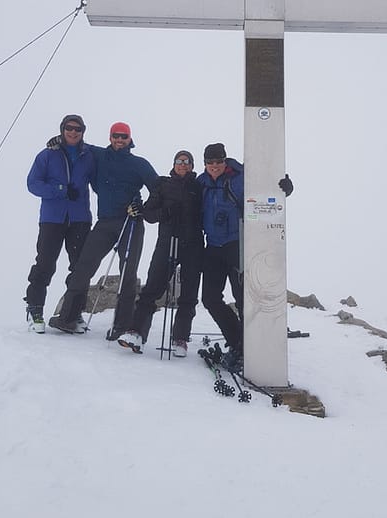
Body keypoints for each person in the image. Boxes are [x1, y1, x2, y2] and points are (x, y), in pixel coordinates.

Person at [48, 122, 158, 335]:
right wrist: (59, 141)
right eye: (115, 136)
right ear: (110, 137)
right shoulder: (97, 155)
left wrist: (142, 207)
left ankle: (122, 326)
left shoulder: (139, 164)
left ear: (129, 139)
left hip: (130, 222)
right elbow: (76, 143)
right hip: (105, 222)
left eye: (123, 136)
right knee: (83, 266)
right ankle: (68, 318)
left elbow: (158, 189)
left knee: (128, 273)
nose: (119, 140)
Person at [197, 142, 293, 366]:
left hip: (237, 245)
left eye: (218, 161)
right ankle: (238, 340)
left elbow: (267, 189)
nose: (214, 166)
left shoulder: (241, 177)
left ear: (224, 160)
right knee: (210, 298)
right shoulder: (201, 182)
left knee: (243, 298)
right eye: (209, 162)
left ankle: (250, 346)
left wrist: (285, 188)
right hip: (212, 247)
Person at [118, 150, 204, 357]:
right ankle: (136, 332)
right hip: (166, 241)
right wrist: (164, 213)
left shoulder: (199, 186)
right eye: (179, 161)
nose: (182, 165)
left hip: (192, 243)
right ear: (174, 164)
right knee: (153, 287)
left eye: (187, 162)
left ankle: (180, 338)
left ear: (192, 165)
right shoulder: (163, 185)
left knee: (189, 293)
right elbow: (148, 213)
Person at [25, 114, 95, 333]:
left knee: (79, 267)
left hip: (80, 219)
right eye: (69, 128)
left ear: (83, 132)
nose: (73, 132)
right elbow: (33, 183)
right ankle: (35, 310)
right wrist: (60, 190)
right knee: (45, 263)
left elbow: (108, 170)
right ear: (62, 129)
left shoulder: (90, 155)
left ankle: (75, 313)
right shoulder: (47, 155)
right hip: (52, 218)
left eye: (78, 129)